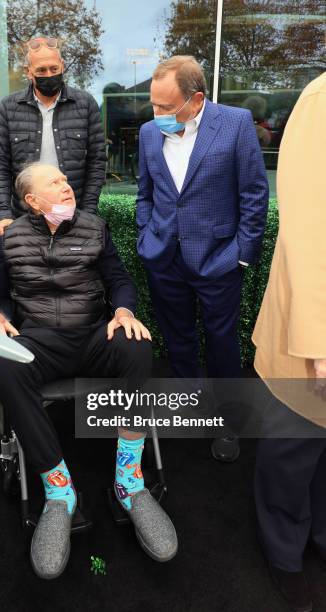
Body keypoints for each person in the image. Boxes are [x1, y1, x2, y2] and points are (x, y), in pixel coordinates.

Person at [0, 162, 178, 579]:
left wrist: (123, 311)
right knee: (8, 368)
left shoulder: (93, 227)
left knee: (138, 346)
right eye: (55, 183)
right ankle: (59, 490)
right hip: (41, 341)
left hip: (92, 335)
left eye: (66, 180)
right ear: (32, 200)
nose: (66, 186)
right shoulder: (10, 238)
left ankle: (129, 479)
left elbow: (119, 279)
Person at [136, 55, 269, 461]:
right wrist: (146, 235)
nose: (156, 114)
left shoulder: (235, 123)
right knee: (177, 338)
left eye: (165, 107)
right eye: (152, 105)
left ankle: (229, 421)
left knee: (222, 342)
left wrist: (242, 255)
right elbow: (146, 192)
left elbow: (254, 194)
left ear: (195, 99)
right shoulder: (147, 133)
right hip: (164, 257)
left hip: (218, 258)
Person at [252, 72, 326, 612]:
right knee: (293, 450)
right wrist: (320, 342)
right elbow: (309, 231)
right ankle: (285, 555)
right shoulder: (322, 101)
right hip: (313, 326)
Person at [0, 36, 106, 236]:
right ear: (28, 72)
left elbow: (97, 161)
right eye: (41, 71)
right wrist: (3, 213)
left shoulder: (85, 104)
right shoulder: (9, 107)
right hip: (25, 216)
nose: (49, 75)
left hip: (74, 215)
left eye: (54, 69)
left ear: (62, 66)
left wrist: (88, 212)